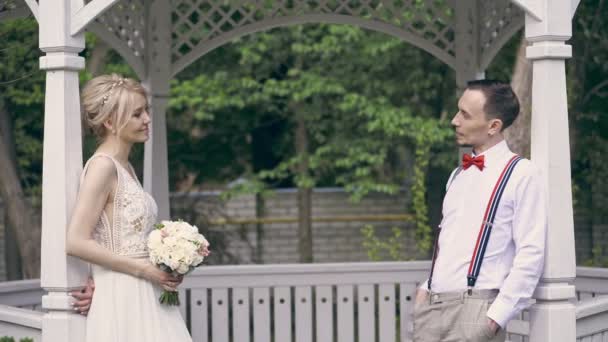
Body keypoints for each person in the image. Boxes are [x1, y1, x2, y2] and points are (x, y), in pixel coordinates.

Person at [413, 80, 547, 341]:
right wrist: (425, 290)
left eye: (464, 115)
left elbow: (531, 253)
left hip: (475, 313)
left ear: (493, 126)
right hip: (431, 312)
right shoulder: (457, 175)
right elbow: (448, 242)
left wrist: (493, 318)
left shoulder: (521, 174)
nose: (454, 121)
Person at [66, 74, 193, 341]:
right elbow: (76, 241)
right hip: (124, 295)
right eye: (137, 114)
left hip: (146, 290)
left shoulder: (126, 168)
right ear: (110, 122)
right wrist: (143, 269)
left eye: (145, 110)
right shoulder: (102, 166)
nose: (147, 119)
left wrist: (169, 261)